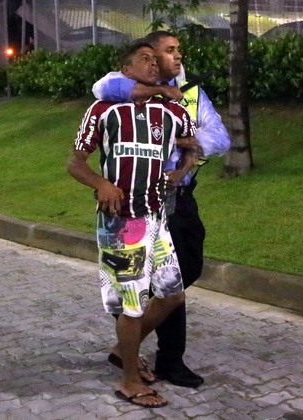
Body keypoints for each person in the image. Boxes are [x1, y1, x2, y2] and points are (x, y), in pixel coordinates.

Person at [92, 30, 231, 389]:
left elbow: (220, 137)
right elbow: (102, 88)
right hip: (140, 201)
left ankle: (127, 346)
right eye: (167, 51)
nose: (176, 56)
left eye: (177, 51)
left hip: (181, 198)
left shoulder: (191, 94)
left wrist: (187, 140)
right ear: (147, 58)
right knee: (153, 281)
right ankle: (169, 360)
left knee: (187, 270)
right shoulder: (118, 86)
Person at [68, 42, 197, 408]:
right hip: (121, 224)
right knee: (132, 304)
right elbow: (75, 162)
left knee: (173, 293)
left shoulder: (171, 112)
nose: (154, 64)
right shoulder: (104, 109)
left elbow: (192, 146)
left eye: (156, 60)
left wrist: (181, 170)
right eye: (145, 59)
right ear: (125, 70)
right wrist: (102, 184)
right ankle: (128, 380)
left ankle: (123, 350)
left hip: (157, 219)